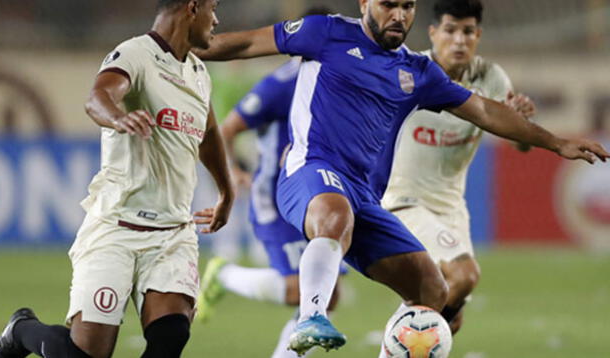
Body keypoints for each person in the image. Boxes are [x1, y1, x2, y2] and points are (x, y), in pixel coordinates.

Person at [193, 0, 609, 355]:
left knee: (433, 291)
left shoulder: (417, 72)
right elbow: (246, 42)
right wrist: (180, 46)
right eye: (388, 4)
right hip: (309, 170)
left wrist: (554, 142)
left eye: (407, 5)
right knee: (334, 214)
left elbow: (483, 111)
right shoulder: (326, 33)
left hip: (364, 196)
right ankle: (312, 317)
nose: (398, 14)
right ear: (364, 4)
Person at [0, 1, 233, 358]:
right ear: (192, 8)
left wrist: (226, 191)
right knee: (85, 355)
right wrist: (118, 118)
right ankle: (21, 331)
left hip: (172, 234)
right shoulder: (135, 54)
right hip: (117, 226)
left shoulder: (198, 72)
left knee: (171, 337)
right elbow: (97, 98)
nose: (217, 18)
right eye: (213, 7)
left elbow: (208, 134)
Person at [195, 7, 346, 358]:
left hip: (321, 192)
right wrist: (231, 171)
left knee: (327, 294)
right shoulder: (281, 84)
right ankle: (226, 276)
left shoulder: (341, 76)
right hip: (278, 197)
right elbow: (228, 128)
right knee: (300, 290)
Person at [381, 0, 535, 336]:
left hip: (451, 207)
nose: (459, 40)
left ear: (478, 35)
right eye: (450, 30)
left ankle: (406, 334)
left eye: (468, 32)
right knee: (463, 275)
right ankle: (398, 341)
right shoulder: (409, 71)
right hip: (403, 201)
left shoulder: (491, 78)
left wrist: (520, 122)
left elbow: (521, 145)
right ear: (434, 33)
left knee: (450, 313)